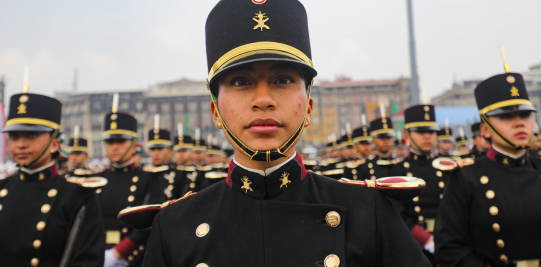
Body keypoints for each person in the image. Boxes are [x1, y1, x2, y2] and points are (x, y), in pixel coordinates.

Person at [119, 0, 430, 266]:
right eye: (241, 82)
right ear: (216, 112)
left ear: (308, 107)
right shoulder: (174, 225)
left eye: (282, 80)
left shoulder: (368, 212)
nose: (263, 99)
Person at [435, 72, 541, 267]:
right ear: (485, 129)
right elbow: (449, 249)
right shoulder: (465, 177)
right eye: (506, 116)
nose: (519, 122)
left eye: (525, 114)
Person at [0, 90, 104, 266]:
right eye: (14, 136)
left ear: (55, 144)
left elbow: (87, 261)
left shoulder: (77, 197)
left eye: (32, 135)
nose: (21, 144)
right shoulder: (3, 189)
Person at [98, 95, 162, 266]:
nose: (114, 146)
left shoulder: (149, 179)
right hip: (98, 255)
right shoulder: (97, 179)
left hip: (133, 257)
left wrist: (119, 253)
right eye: (109, 141)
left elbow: (151, 223)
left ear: (134, 144)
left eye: (120, 140)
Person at [395, 104, 459, 265]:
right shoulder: (398, 170)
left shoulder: (447, 167)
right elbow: (397, 214)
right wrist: (427, 240)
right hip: (414, 246)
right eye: (420, 132)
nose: (427, 136)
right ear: (407, 134)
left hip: (448, 242)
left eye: (431, 131)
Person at [142, 116, 185, 201]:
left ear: (169, 151)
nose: (156, 153)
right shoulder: (143, 174)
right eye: (152, 149)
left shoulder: (179, 175)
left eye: (160, 149)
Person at [346, 115, 399, 181]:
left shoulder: (400, 164)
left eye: (389, 137)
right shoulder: (364, 167)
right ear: (373, 140)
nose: (386, 141)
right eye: (381, 138)